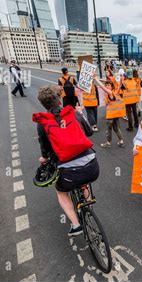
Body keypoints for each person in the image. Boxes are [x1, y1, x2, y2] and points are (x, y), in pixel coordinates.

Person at [33, 85, 98, 237]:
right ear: (60, 99)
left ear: (43, 104)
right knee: (84, 178)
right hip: (92, 166)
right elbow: (89, 132)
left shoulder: (43, 123)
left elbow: (45, 152)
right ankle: (88, 207)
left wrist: (43, 159)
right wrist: (81, 114)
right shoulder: (74, 114)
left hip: (68, 172)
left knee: (61, 192)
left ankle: (76, 225)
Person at [97, 78, 125, 148]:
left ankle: (108, 143)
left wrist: (95, 79)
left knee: (109, 129)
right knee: (116, 128)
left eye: (108, 85)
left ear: (111, 86)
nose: (107, 86)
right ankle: (121, 141)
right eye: (106, 85)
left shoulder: (110, 93)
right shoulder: (115, 92)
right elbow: (119, 86)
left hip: (111, 116)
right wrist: (121, 81)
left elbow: (102, 87)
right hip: (116, 114)